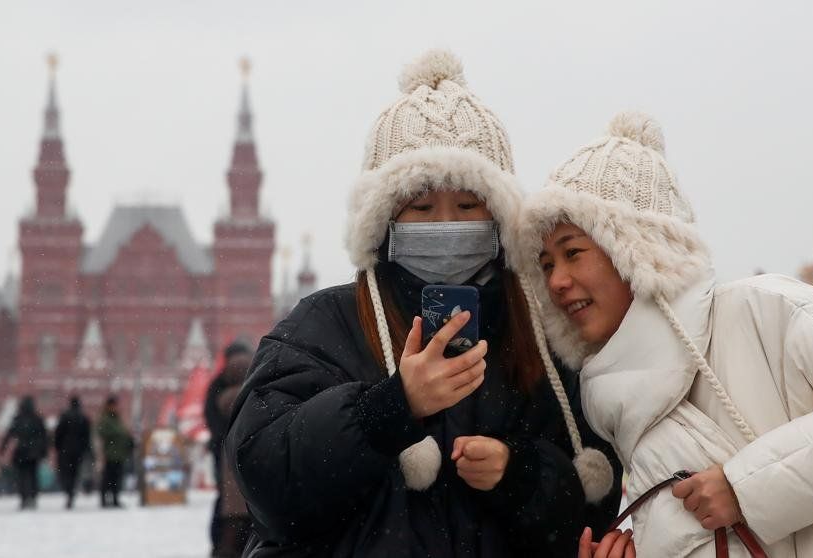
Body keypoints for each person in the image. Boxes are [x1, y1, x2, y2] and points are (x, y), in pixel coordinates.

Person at [225, 49, 624, 558]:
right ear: (385, 220)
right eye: (421, 206)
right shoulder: (325, 325)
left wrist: (517, 473)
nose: (448, 225)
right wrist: (386, 410)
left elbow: (595, 508)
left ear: (499, 218)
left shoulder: (542, 341)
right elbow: (264, 481)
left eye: (466, 205)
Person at [517, 111, 813, 556]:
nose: (556, 281)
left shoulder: (756, 311)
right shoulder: (614, 404)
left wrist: (746, 489)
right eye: (546, 264)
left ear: (638, 250)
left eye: (573, 253)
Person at [205, 342, 254, 557]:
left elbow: (211, 418)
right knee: (250, 503)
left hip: (225, 453)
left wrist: (220, 439)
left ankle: (223, 547)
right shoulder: (256, 387)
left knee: (227, 504)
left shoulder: (219, 389)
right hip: (251, 452)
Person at [0, 396, 49, 510]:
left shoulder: (18, 419)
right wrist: (43, 451)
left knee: (22, 476)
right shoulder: (37, 419)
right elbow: (44, 437)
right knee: (33, 476)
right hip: (34, 453)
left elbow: (9, 434)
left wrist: (2, 449)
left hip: (21, 452)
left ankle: (24, 497)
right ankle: (32, 496)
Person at [54, 395, 92, 509]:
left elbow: (58, 433)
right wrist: (86, 449)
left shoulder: (64, 416)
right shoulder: (83, 418)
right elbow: (87, 436)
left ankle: (69, 491)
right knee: (75, 473)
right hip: (78, 451)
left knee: (66, 473)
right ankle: (71, 492)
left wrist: (58, 447)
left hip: (65, 450)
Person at [97, 395, 133, 508]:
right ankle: (104, 500)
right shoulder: (105, 419)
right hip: (110, 454)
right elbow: (102, 432)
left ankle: (115, 499)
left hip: (120, 454)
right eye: (114, 405)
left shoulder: (117, 418)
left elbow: (123, 433)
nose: (116, 407)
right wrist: (117, 435)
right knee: (108, 478)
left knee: (117, 478)